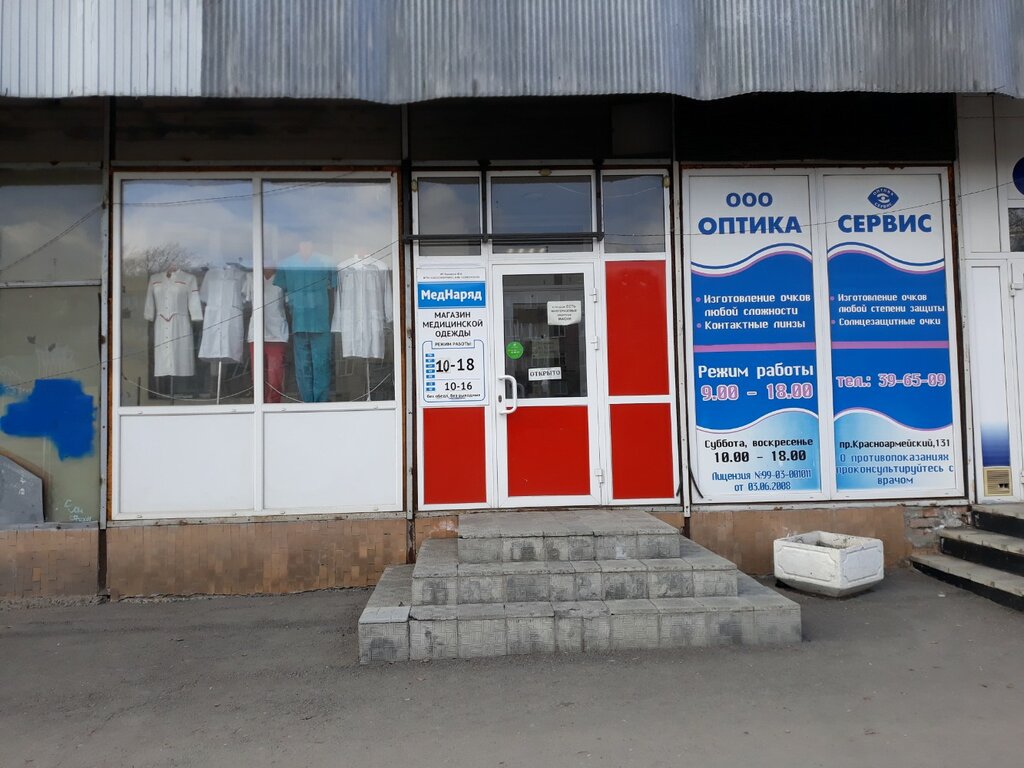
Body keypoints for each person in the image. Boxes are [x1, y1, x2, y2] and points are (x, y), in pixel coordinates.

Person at [272, 241, 336, 402]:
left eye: (308, 242)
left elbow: (334, 286)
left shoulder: (326, 262)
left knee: (321, 364)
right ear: (298, 245)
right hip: (299, 321)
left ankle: (320, 403)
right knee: (302, 367)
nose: (305, 245)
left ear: (313, 244)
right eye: (302, 242)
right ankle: (306, 403)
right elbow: (280, 289)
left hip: (320, 321)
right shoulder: (287, 264)